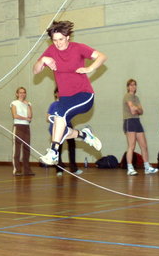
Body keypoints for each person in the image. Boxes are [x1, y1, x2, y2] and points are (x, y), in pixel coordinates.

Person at [33, 20, 107, 165]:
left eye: (61, 39)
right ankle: (84, 135)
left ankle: (53, 152)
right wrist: (43, 60)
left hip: (83, 95)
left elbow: (102, 56)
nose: (58, 43)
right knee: (57, 126)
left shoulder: (78, 48)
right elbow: (35, 71)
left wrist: (89, 68)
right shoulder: (51, 52)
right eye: (54, 40)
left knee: (59, 118)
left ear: (67, 37)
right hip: (65, 98)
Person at [123, 79, 159, 176]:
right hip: (129, 121)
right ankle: (130, 168)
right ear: (128, 87)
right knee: (132, 146)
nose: (133, 87)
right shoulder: (127, 96)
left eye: (134, 85)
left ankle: (147, 167)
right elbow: (132, 110)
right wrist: (137, 109)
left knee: (144, 145)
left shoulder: (136, 98)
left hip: (137, 121)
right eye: (131, 85)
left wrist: (137, 109)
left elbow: (141, 111)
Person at [47, 87, 83, 177]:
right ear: (55, 94)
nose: (60, 93)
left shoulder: (66, 104)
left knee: (72, 147)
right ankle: (59, 169)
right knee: (58, 149)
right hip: (59, 130)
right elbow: (48, 117)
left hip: (68, 127)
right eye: (58, 92)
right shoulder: (53, 105)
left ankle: (74, 168)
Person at [10, 87, 34, 176]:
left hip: (26, 127)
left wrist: (28, 105)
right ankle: (17, 170)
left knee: (27, 148)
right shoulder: (14, 103)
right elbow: (15, 115)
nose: (22, 94)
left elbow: (30, 116)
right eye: (20, 92)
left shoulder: (28, 103)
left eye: (24, 92)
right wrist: (25, 118)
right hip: (18, 126)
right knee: (17, 149)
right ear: (17, 94)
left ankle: (27, 170)